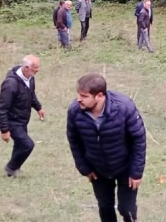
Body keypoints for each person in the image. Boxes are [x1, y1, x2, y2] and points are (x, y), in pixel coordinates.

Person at [66, 73, 147, 222]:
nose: (79, 99)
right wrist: (84, 167)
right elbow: (74, 140)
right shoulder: (74, 111)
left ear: (99, 96)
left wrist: (136, 172)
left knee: (126, 208)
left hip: (125, 167)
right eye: (78, 95)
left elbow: (139, 139)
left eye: (84, 96)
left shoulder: (124, 107)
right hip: (97, 169)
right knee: (105, 207)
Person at [0, 55, 45, 177]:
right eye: (35, 68)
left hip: (23, 119)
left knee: (19, 145)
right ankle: (11, 168)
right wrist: (4, 130)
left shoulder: (30, 78)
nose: (38, 70)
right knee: (27, 145)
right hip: (12, 121)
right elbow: (1, 109)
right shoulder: (10, 84)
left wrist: (38, 108)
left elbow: (31, 95)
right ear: (27, 68)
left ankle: (13, 171)